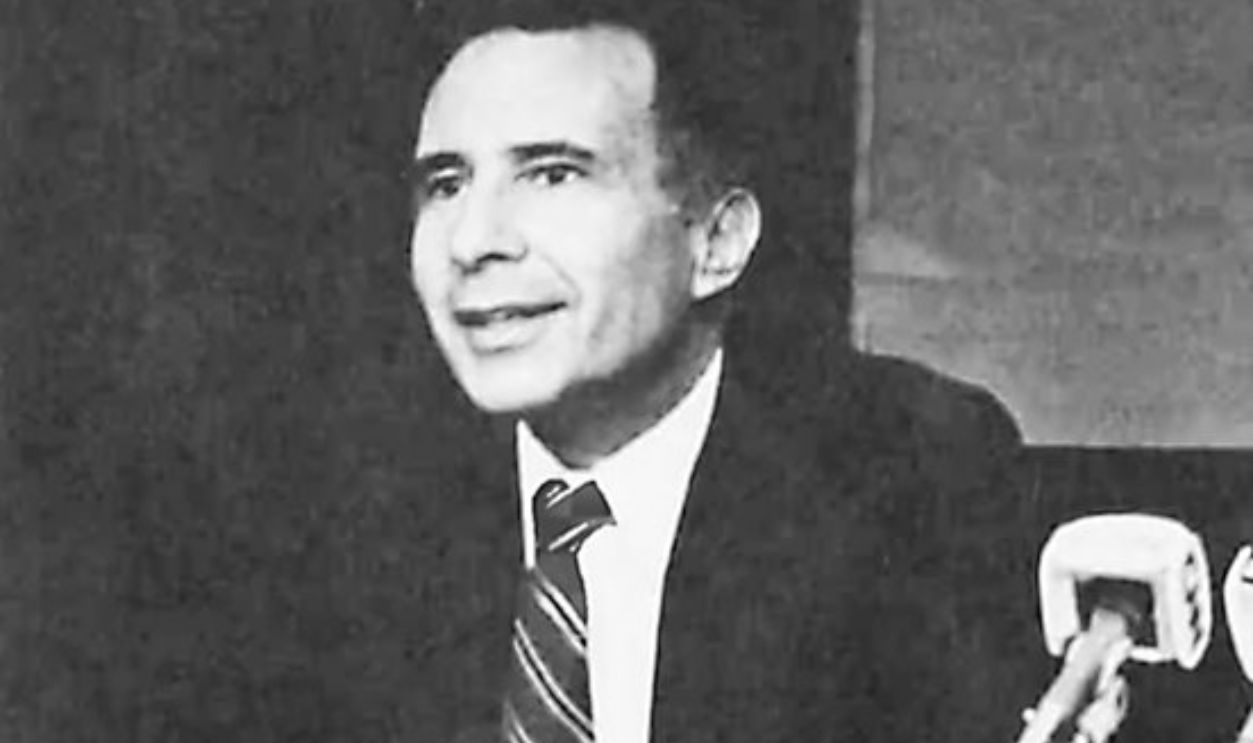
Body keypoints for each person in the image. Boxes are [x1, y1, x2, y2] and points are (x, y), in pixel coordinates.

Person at [400, 1, 1028, 741]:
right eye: (446, 184)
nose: (472, 241)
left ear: (717, 242)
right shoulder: (346, 508)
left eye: (552, 175)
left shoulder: (903, 475)